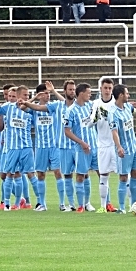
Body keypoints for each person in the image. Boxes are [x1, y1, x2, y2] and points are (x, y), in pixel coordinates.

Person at [0, 85, 35, 210]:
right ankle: (11, 201)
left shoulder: (25, 110)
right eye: (9, 96)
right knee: (4, 175)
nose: (11, 98)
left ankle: (21, 201)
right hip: (3, 148)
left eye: (14, 96)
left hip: (17, 147)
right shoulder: (5, 109)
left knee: (18, 174)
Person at [18, 83, 66, 212]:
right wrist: (33, 98)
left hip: (54, 145)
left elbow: (67, 103)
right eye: (45, 93)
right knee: (40, 174)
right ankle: (42, 204)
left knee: (57, 172)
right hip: (40, 146)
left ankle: (62, 204)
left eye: (49, 93)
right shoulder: (33, 109)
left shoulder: (54, 106)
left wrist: (54, 90)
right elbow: (20, 108)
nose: (48, 95)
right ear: (40, 94)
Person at [87, 77, 121, 212]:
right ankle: (103, 206)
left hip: (116, 144)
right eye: (105, 88)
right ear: (100, 89)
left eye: (109, 88)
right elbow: (89, 124)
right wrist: (95, 118)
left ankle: (126, 205)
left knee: (123, 175)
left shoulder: (116, 103)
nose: (107, 91)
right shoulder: (95, 104)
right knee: (103, 175)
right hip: (102, 145)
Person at [64, 83, 97, 211]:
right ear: (82, 93)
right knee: (80, 175)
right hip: (82, 149)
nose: (90, 94)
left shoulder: (90, 106)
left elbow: (105, 113)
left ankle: (93, 203)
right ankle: (80, 206)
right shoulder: (71, 110)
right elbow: (67, 131)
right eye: (88, 92)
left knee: (103, 174)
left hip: (95, 146)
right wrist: (81, 143)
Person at [112, 84, 136, 213]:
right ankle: (122, 207)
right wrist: (119, 147)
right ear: (120, 95)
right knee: (123, 177)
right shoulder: (113, 113)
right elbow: (114, 132)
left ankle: (134, 205)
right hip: (124, 149)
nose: (128, 95)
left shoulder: (128, 107)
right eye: (127, 93)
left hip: (134, 147)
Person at [53, 79, 78, 211]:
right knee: (67, 175)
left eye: (74, 89)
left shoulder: (80, 106)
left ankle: (85, 203)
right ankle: (72, 204)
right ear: (65, 91)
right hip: (63, 146)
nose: (72, 92)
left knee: (83, 174)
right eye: (70, 89)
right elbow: (41, 107)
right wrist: (28, 103)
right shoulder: (58, 106)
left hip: (77, 145)